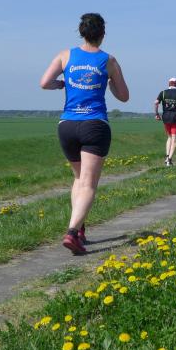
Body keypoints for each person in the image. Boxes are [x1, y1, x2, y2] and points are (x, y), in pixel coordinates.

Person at [40, 13, 129, 255]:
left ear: (82, 33)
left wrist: (61, 84)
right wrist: (110, 84)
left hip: (67, 124)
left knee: (79, 179)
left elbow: (44, 82)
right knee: (89, 183)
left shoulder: (65, 55)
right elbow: (124, 96)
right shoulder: (109, 60)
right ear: (103, 34)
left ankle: (79, 230)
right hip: (94, 124)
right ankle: (71, 232)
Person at [154, 77, 176, 166]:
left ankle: (167, 157)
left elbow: (156, 102)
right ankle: (169, 160)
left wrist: (157, 114)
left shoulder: (163, 92)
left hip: (165, 117)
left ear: (169, 84)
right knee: (174, 139)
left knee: (169, 137)